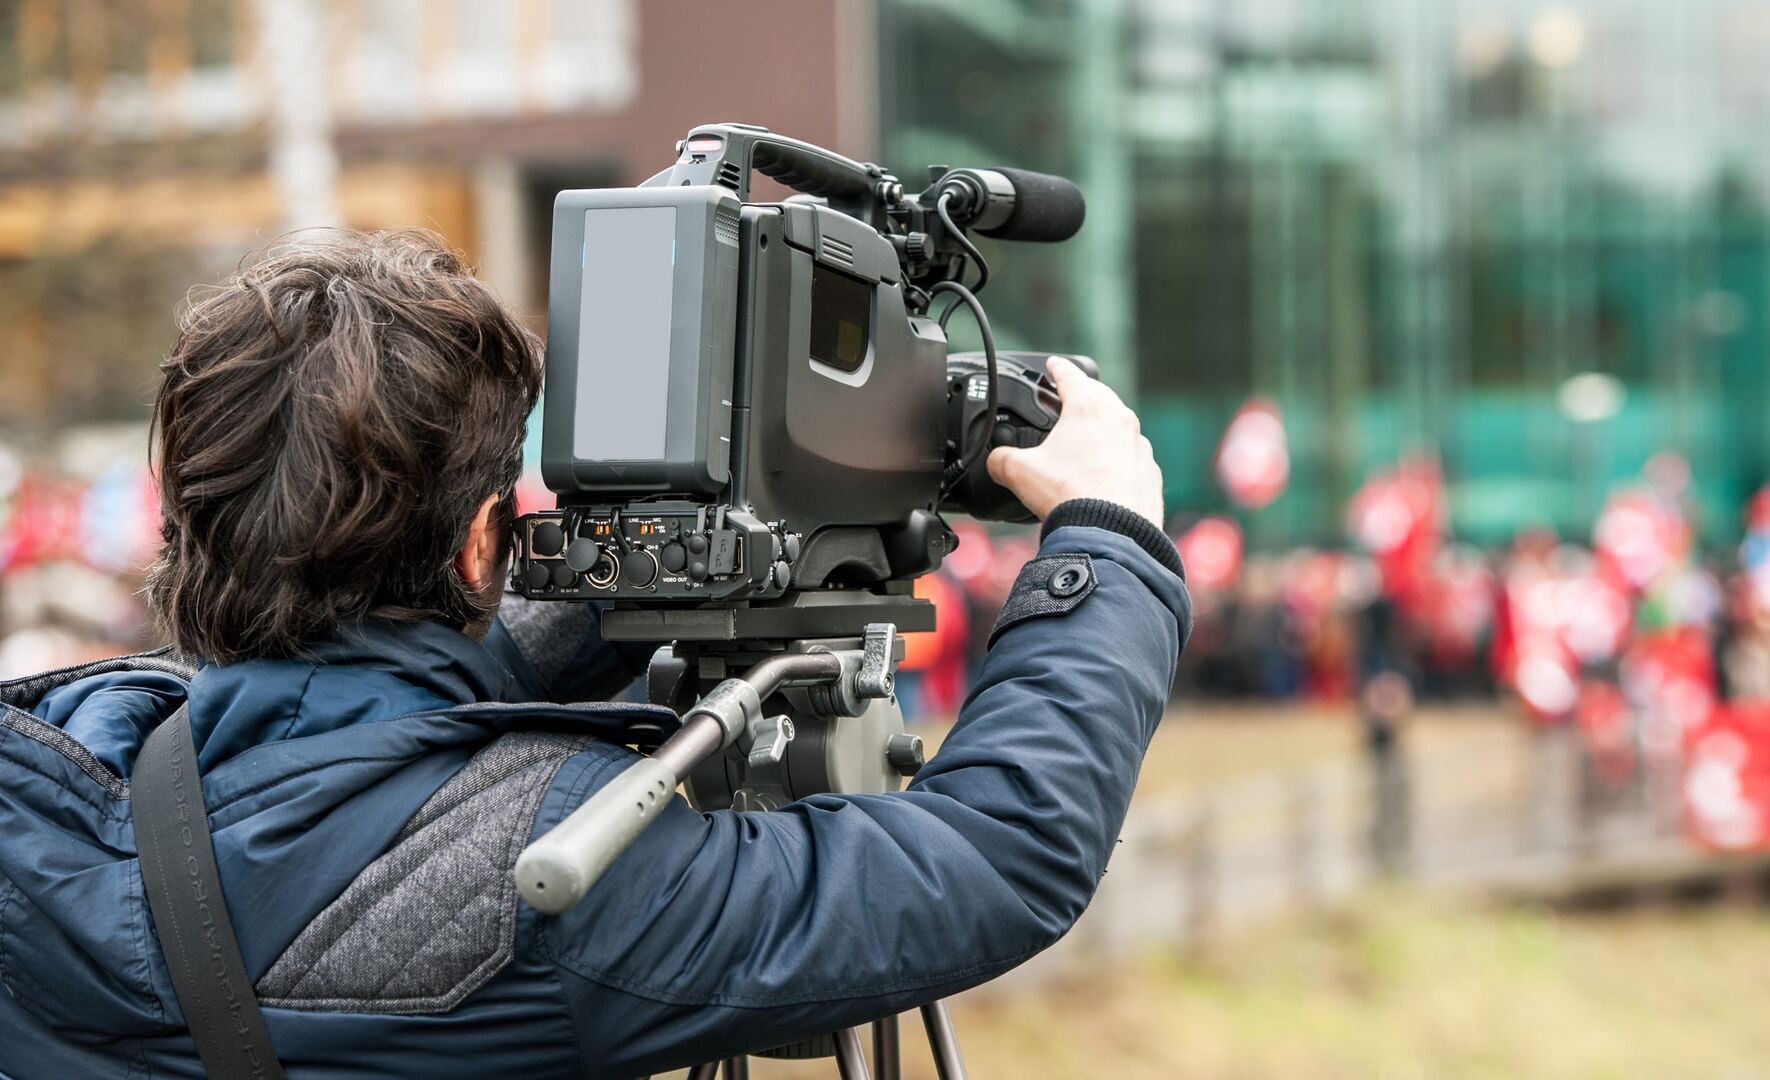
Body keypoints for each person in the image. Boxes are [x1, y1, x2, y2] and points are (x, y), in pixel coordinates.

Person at [0, 231, 1189, 1077]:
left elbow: (368, 728)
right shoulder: (553, 881)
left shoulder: (55, 761)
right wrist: (1112, 540)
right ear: (481, 549)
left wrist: (680, 563)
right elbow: (995, 857)